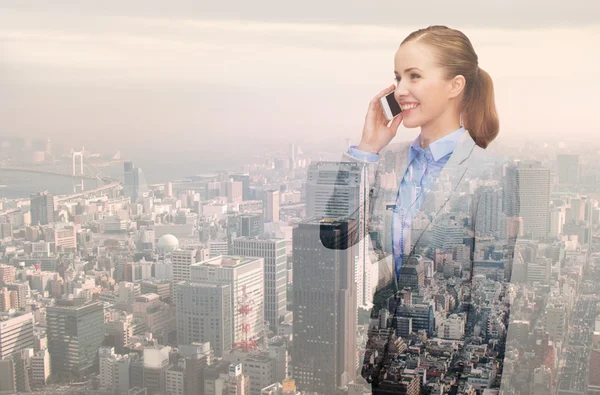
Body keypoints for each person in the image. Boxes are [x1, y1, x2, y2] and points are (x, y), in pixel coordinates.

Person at [326, 25, 521, 393]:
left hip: (450, 376)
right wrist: (367, 150)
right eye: (397, 77)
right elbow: (334, 236)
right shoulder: (386, 164)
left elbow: (491, 301)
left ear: (455, 85)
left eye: (415, 75)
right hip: (384, 366)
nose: (400, 90)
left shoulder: (490, 174)